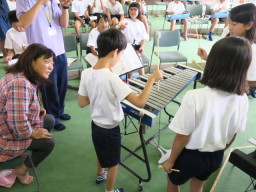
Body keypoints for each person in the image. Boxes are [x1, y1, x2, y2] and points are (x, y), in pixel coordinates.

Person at [78, 28, 162, 192]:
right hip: (110, 129)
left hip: (96, 126)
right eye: (122, 54)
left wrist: (97, 93)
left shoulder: (87, 73)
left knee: (101, 151)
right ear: (115, 52)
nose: (122, 58)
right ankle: (109, 191)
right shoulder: (112, 78)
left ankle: (100, 174)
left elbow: (81, 102)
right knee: (114, 162)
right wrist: (152, 78)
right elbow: (140, 102)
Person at [163, 36, 251, 192]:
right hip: (216, 157)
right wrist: (220, 149)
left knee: (172, 181)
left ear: (213, 64)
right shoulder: (243, 98)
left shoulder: (194, 96)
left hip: (190, 157)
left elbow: (182, 136)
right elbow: (234, 133)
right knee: (198, 185)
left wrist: (170, 161)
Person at [0, 43, 55, 185]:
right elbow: (17, 123)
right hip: (4, 133)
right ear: (32, 60)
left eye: (52, 62)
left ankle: (26, 149)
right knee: (48, 143)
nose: (51, 67)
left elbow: (19, 106)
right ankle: (21, 170)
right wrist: (32, 133)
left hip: (6, 125)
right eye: (47, 61)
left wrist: (36, 109)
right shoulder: (20, 83)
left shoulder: (19, 76)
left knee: (48, 120)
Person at [16, 0, 72, 131]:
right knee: (49, 88)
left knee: (61, 85)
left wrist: (64, 7)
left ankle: (60, 110)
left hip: (59, 50)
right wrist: (40, 3)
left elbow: (63, 24)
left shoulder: (52, 2)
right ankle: (53, 117)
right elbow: (24, 22)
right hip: (40, 53)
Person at [198, 3, 256, 96]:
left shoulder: (252, 49)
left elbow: (253, 81)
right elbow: (224, 61)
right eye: (228, 22)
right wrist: (208, 58)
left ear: (248, 25)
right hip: (216, 87)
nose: (229, 27)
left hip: (233, 93)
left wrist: (232, 85)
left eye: (234, 24)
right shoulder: (227, 33)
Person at [120, 2, 147, 77]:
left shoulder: (141, 24)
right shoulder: (125, 21)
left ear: (138, 12)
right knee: (137, 59)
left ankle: (141, 78)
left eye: (135, 10)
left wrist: (142, 47)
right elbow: (118, 32)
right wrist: (121, 28)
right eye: (131, 9)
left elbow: (144, 38)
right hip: (126, 48)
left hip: (137, 47)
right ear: (128, 11)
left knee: (138, 57)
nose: (132, 11)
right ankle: (132, 78)